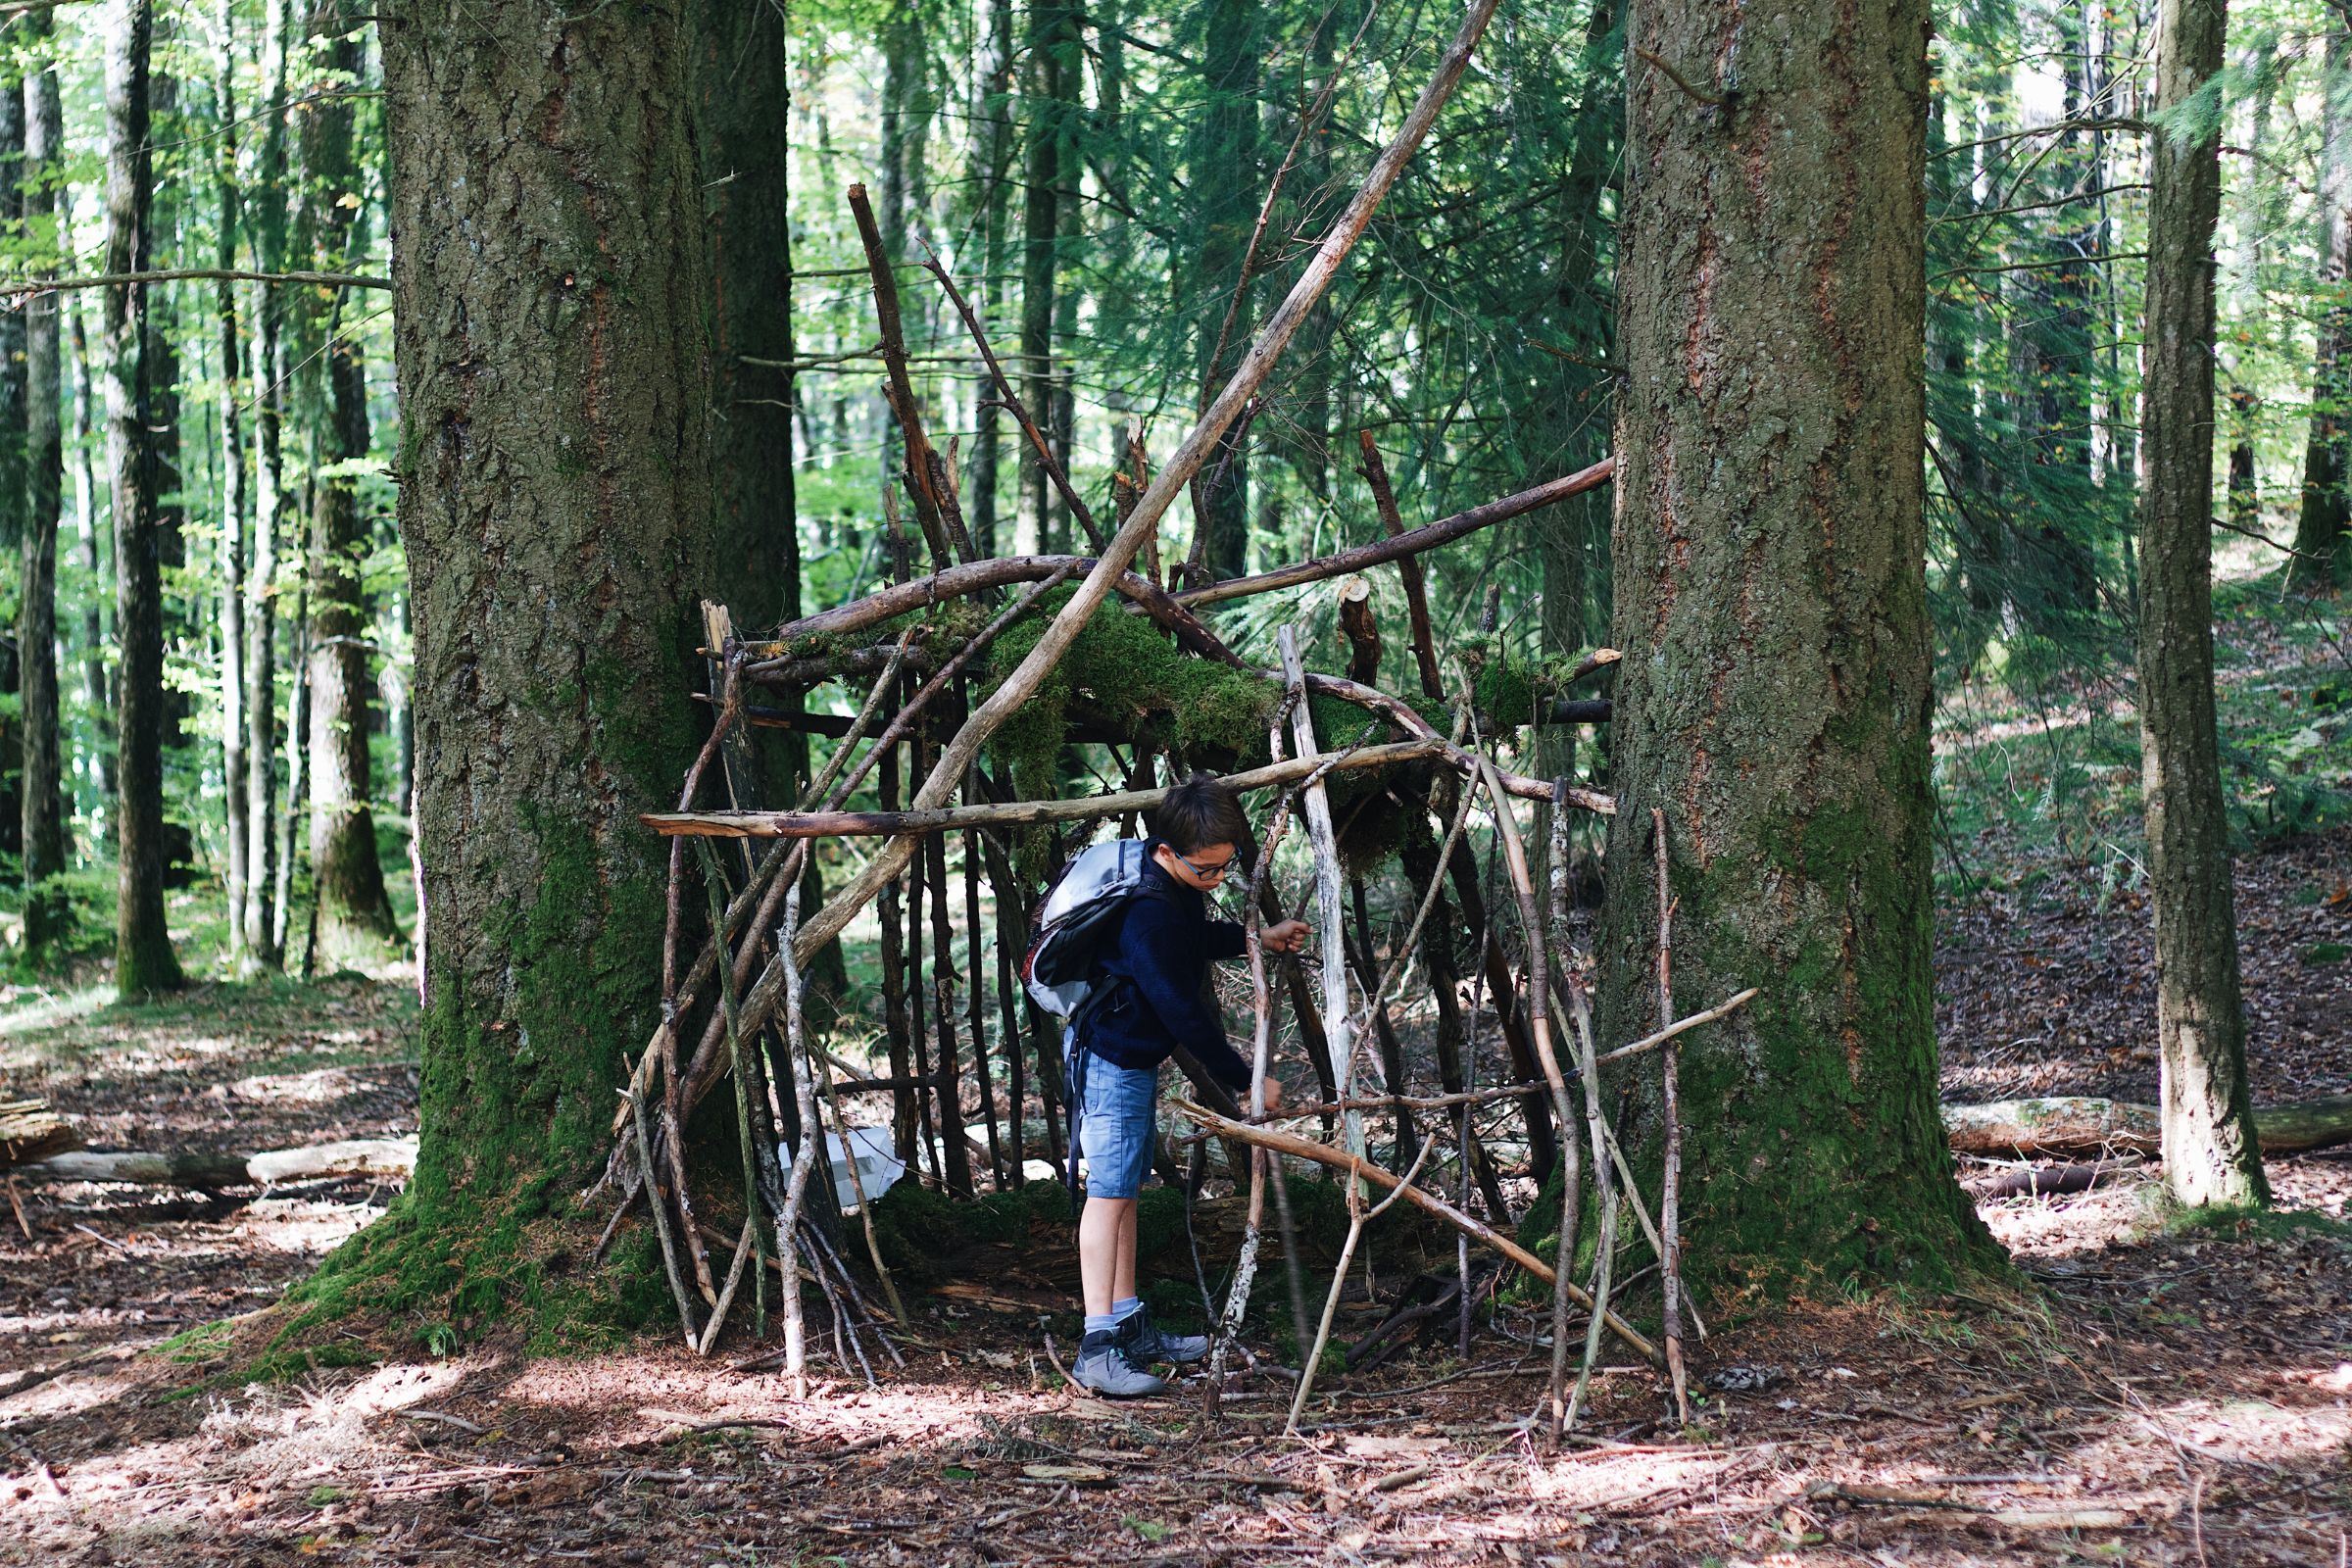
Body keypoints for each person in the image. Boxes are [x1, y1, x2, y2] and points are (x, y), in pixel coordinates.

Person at [1067, 774, 1307, 1398]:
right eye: (1207, 871)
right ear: (1166, 852)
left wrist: (1256, 936)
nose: (1218, 881)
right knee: (1109, 1195)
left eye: (1226, 868)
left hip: (1131, 1057)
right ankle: (1097, 1348)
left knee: (1126, 1192)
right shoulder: (1148, 909)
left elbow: (1192, 939)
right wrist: (1243, 1079)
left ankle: (1128, 1324)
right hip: (1111, 1060)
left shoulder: (1173, 893)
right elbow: (1178, 1006)